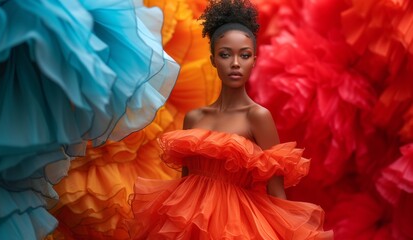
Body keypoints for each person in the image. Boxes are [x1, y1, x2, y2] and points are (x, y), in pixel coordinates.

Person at [129, 0, 334, 239]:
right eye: (225, 54)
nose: (235, 63)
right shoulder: (195, 118)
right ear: (213, 59)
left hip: (236, 227)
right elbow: (183, 184)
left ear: (254, 60)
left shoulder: (257, 116)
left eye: (244, 55)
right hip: (187, 224)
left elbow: (276, 193)